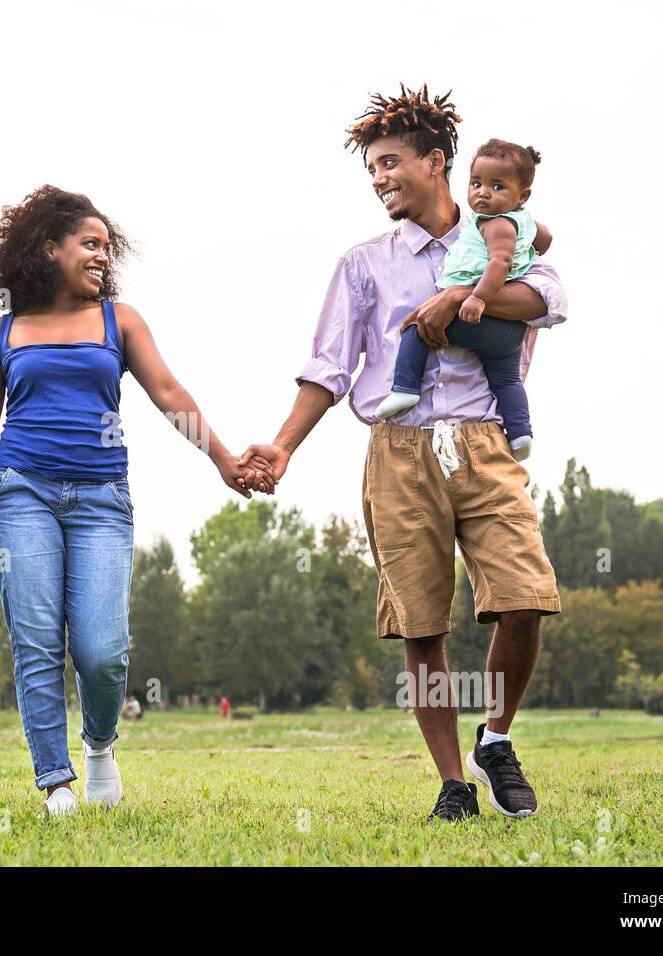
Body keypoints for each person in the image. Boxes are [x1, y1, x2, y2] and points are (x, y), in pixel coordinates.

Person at [240, 84, 566, 822]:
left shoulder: (502, 237)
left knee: (524, 599)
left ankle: (497, 738)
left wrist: (454, 300)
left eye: (390, 163)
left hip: (484, 444)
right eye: (372, 170)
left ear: (437, 161)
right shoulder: (363, 265)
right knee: (422, 627)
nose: (381, 178)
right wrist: (284, 448)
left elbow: (549, 300)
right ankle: (454, 785)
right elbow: (328, 369)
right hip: (398, 450)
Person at [0, 185, 273, 817]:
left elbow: (168, 393)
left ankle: (98, 746)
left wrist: (223, 459)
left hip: (100, 501)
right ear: (47, 249)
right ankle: (55, 784)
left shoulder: (120, 321)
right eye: (88, 244)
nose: (100, 256)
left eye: (105, 248)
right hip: (21, 492)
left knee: (102, 650)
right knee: (35, 642)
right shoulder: (1, 332)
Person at [375, 139, 553, 461]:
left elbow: (499, 262)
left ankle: (404, 389)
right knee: (507, 379)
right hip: (510, 331)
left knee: (419, 327)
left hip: (480, 315)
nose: (483, 193)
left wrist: (474, 298)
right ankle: (520, 432)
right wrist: (528, 227)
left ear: (521, 196)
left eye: (497, 187)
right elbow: (546, 239)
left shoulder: (495, 224)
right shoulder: (521, 220)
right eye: (476, 184)